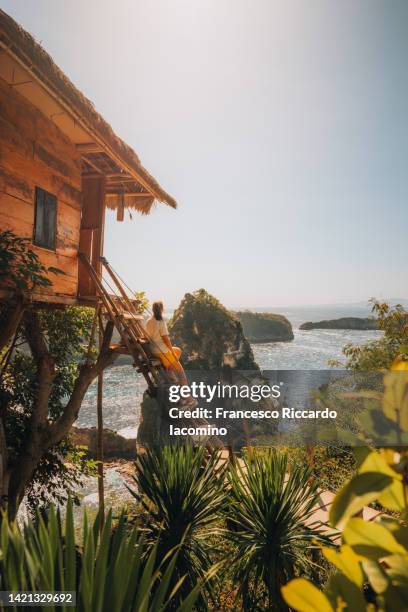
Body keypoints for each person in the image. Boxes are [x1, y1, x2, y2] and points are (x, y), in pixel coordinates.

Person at [145, 301, 195, 405]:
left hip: (153, 351)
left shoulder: (149, 321)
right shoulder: (160, 321)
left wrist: (173, 351)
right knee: (181, 375)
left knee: (178, 350)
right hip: (162, 352)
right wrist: (171, 352)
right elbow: (165, 339)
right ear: (161, 309)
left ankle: (169, 368)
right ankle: (188, 398)